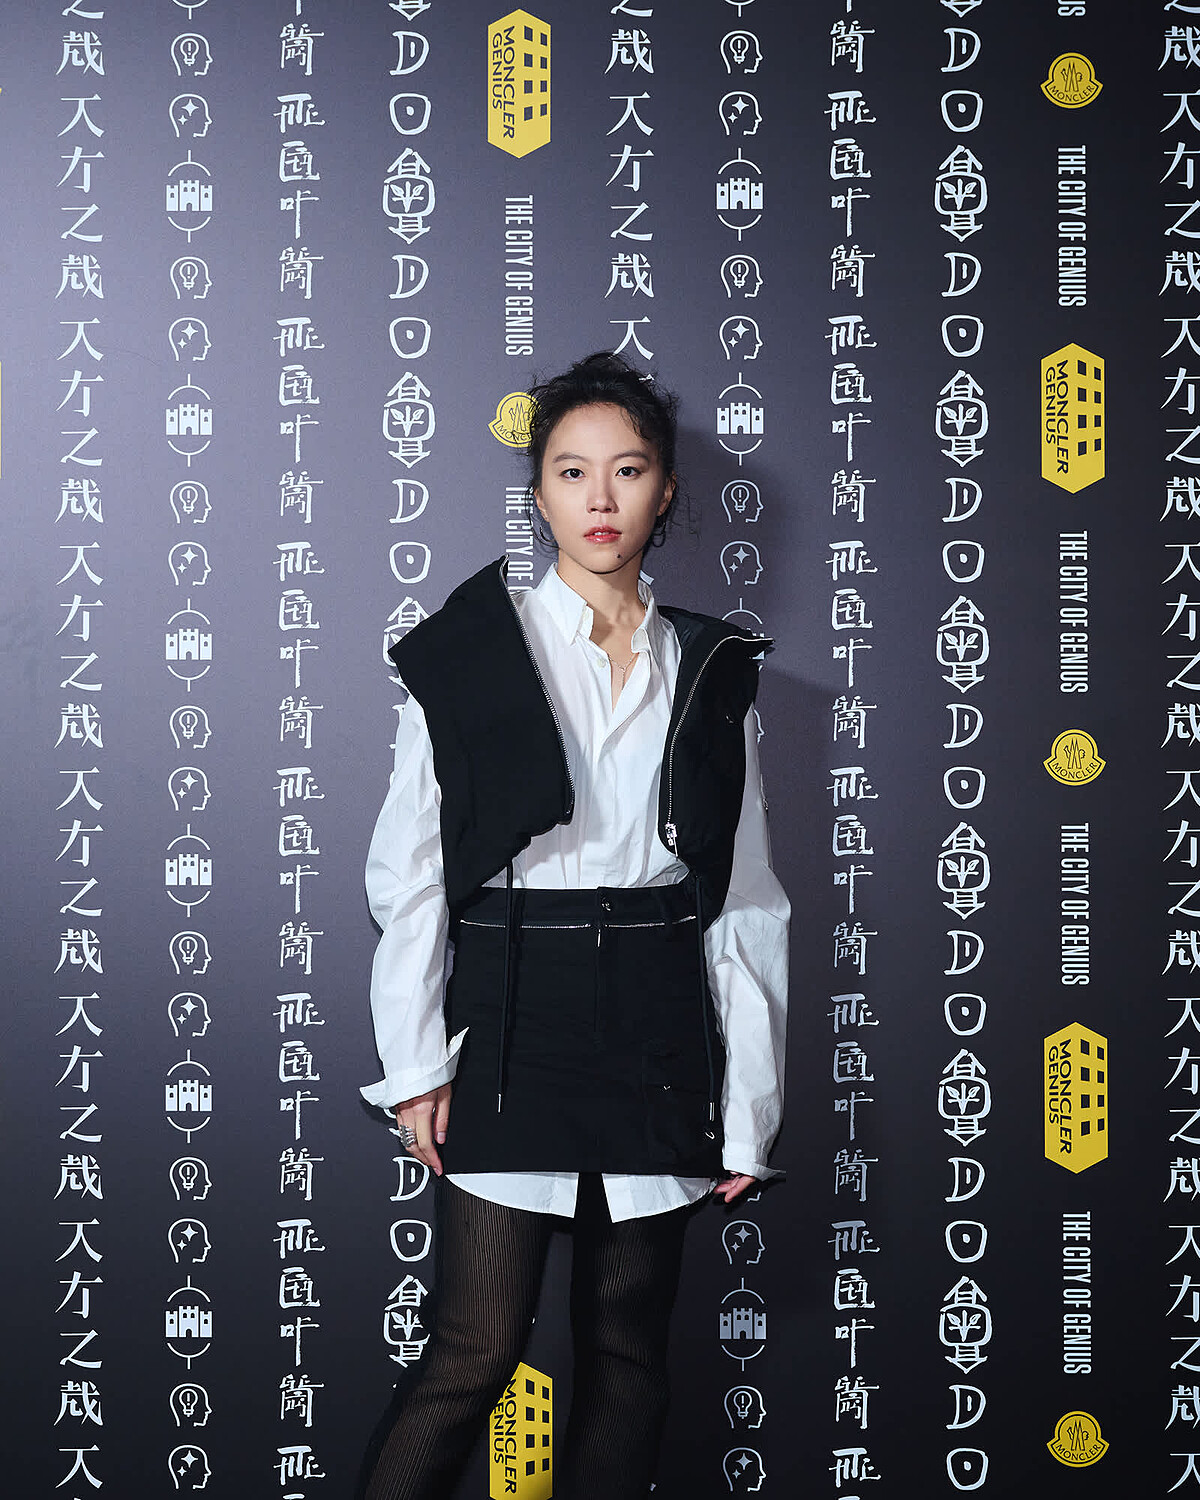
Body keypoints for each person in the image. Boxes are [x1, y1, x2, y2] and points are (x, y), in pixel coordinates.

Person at [360, 352, 788, 1499]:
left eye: (629, 470)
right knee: (472, 1351)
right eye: (571, 471)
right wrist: (416, 1062)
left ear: (667, 490)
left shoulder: (714, 668)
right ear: (540, 494)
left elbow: (746, 894)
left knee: (630, 1360)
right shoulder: (469, 654)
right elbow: (410, 871)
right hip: (514, 1014)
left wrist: (748, 1104)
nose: (601, 498)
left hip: (659, 1021)